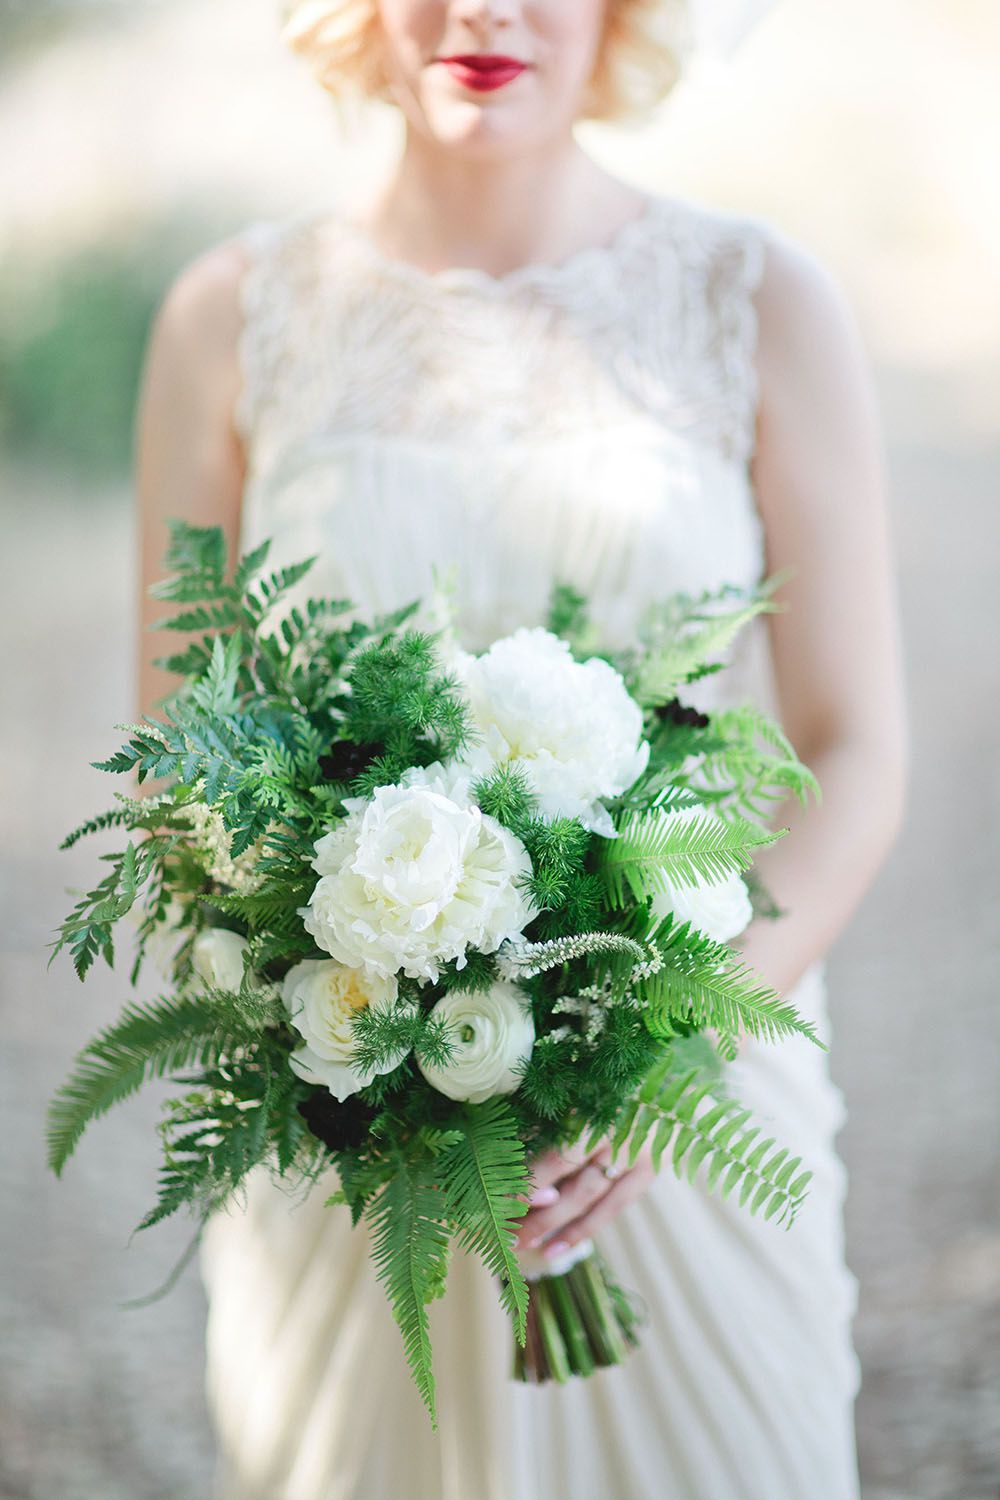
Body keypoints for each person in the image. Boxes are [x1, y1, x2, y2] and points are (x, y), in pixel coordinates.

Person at [134, 2, 909, 1495]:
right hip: (351, 1105)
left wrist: (671, 1036)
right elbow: (183, 749)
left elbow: (857, 743)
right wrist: (344, 995)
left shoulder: (763, 301)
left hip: (684, 1109)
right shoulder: (225, 317)